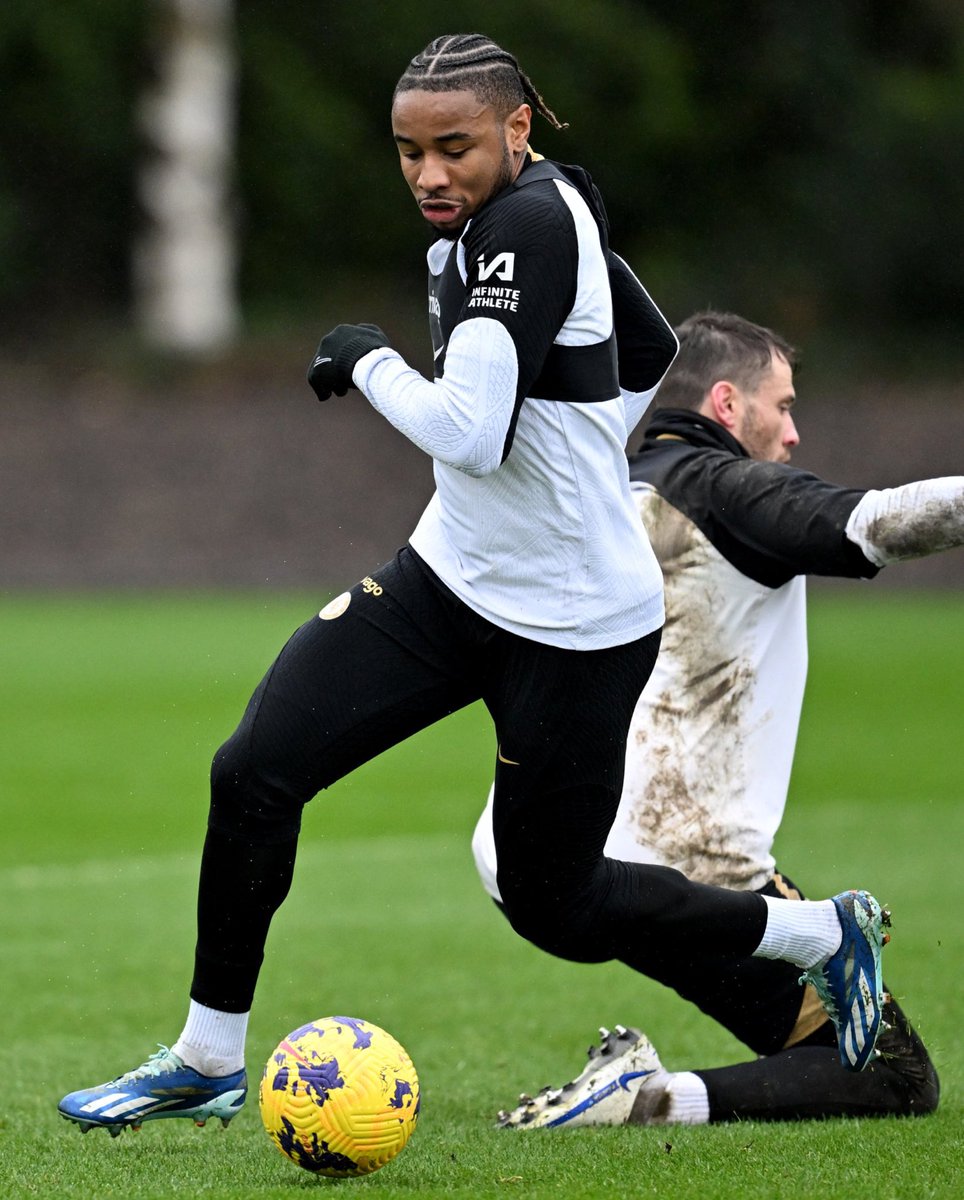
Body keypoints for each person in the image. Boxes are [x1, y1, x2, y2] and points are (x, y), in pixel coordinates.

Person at [60, 39, 891, 1137]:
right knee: (254, 772)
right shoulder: (518, 220)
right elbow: (642, 348)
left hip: (578, 626)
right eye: (407, 151)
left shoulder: (534, 223)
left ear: (516, 133)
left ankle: (819, 936)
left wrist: (364, 357)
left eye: (453, 147)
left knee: (561, 905)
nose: (427, 174)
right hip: (446, 583)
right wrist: (578, 427)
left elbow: (473, 430)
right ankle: (208, 1059)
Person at [475, 311, 962, 1129]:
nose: (795, 432)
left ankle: (643, 1097)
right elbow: (877, 522)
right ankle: (641, 1099)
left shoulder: (593, 496)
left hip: (535, 860)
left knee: (819, 1043)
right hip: (689, 872)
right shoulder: (726, 490)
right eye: (785, 404)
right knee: (891, 1075)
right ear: (728, 405)